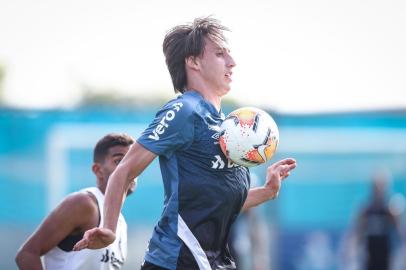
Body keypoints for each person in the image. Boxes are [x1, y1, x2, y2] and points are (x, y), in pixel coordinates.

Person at [73, 17, 297, 270]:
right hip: (176, 261)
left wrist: (267, 192)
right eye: (220, 54)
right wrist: (108, 228)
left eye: (229, 55)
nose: (232, 62)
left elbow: (217, 203)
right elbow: (124, 170)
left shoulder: (226, 128)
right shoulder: (185, 110)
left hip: (215, 263)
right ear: (193, 62)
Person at [15, 133, 135, 270]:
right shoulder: (85, 203)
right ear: (98, 170)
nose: (128, 169)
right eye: (119, 161)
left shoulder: (120, 222)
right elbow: (27, 254)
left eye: (132, 162)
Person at [354, 170, 401, 270]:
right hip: (370, 255)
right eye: (376, 186)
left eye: (381, 185)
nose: (378, 189)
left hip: (386, 254)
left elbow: (399, 231)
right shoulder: (366, 209)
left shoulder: (391, 208)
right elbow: (358, 230)